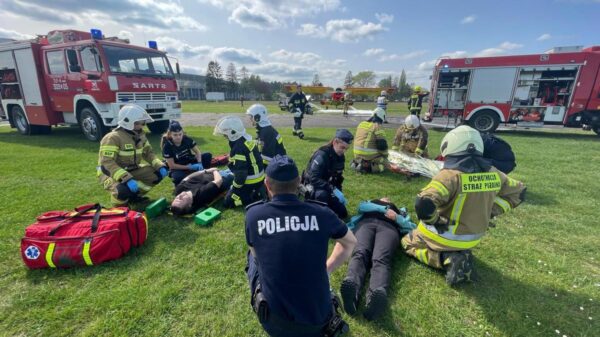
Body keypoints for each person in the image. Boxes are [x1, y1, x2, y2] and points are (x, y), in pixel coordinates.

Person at [245, 155, 357, 337]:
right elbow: (350, 242)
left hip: (274, 323)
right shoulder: (322, 213)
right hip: (319, 324)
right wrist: (326, 269)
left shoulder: (253, 215)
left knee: (252, 257)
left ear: (267, 184)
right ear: (299, 182)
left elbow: (257, 257)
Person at [401, 125, 526, 285]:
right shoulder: (495, 174)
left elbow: (424, 203)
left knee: (406, 243)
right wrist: (491, 212)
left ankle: (444, 259)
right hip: (473, 238)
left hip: (444, 235)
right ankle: (456, 252)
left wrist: (436, 222)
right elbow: (520, 192)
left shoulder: (449, 176)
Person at [341, 198, 416, 321]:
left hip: (389, 228)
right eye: (384, 198)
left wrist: (397, 217)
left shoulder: (400, 212)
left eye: (389, 201)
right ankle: (352, 289)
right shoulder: (370, 203)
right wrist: (384, 209)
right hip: (366, 224)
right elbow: (361, 207)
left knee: (381, 259)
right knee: (360, 253)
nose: (387, 199)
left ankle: (375, 297)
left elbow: (411, 227)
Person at [97, 104, 168, 205]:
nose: (142, 125)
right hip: (109, 173)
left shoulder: (140, 135)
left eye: (143, 122)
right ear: (128, 122)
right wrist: (126, 178)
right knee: (122, 190)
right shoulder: (112, 138)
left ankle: (135, 196)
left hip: (132, 169)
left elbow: (148, 153)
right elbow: (107, 163)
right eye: (139, 123)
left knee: (156, 175)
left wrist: (159, 166)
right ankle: (120, 205)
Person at [213, 116, 266, 208]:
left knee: (227, 202)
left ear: (232, 133)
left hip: (250, 182)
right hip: (259, 178)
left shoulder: (238, 148)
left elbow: (241, 175)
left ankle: (251, 197)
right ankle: (257, 191)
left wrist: (234, 187)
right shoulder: (246, 139)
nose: (224, 136)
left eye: (225, 134)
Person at [302, 129, 353, 219]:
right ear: (335, 142)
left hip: (328, 187)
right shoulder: (322, 155)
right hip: (314, 188)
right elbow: (313, 179)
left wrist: (339, 193)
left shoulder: (340, 157)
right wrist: (332, 189)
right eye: (342, 147)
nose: (344, 151)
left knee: (343, 214)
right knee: (322, 197)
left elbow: (338, 178)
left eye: (346, 149)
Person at [161, 120, 213, 186]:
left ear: (182, 133)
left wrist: (199, 163)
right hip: (177, 166)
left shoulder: (186, 139)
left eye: (180, 134)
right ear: (170, 134)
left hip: (189, 160)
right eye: (175, 135)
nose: (178, 137)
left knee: (207, 155)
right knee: (178, 177)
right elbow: (172, 165)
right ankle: (188, 178)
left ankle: (205, 173)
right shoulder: (167, 146)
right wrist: (189, 167)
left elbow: (197, 152)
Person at [350, 107, 389, 174]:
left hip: (356, 153)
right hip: (369, 155)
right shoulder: (377, 127)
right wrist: (385, 155)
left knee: (364, 156)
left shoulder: (361, 124)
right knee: (386, 163)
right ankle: (366, 168)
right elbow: (382, 145)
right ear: (382, 117)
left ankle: (357, 162)